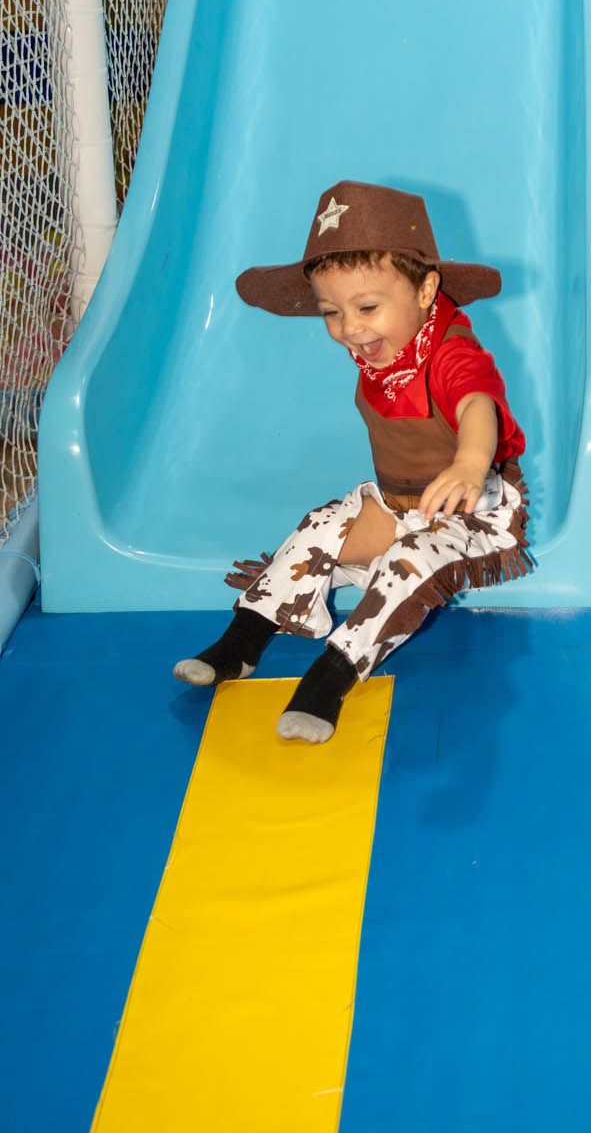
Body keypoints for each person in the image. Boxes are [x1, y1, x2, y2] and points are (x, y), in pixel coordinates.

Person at [174, 181, 531, 742]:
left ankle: (330, 678)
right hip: (396, 502)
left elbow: (477, 403)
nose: (350, 329)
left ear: (425, 289)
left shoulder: (451, 350)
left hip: (471, 513)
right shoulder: (384, 354)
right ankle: (242, 643)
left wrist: (468, 461)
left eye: (366, 308)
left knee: (411, 559)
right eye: (331, 313)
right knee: (321, 525)